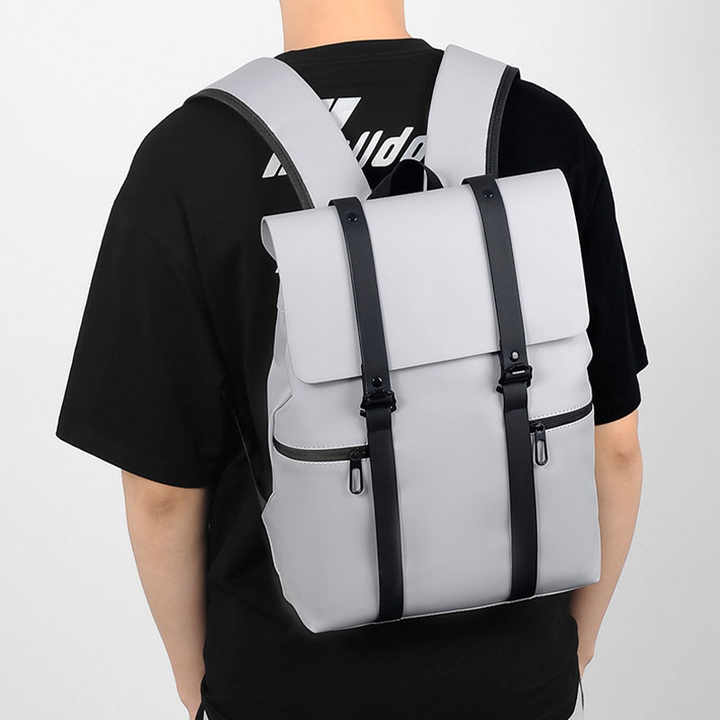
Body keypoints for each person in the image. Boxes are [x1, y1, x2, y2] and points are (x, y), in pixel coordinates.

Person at [57, 1, 647, 718]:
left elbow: (161, 496)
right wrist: (572, 650)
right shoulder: (543, 126)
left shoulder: (186, 157)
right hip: (517, 681)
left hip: (280, 685)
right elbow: (616, 449)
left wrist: (198, 684)